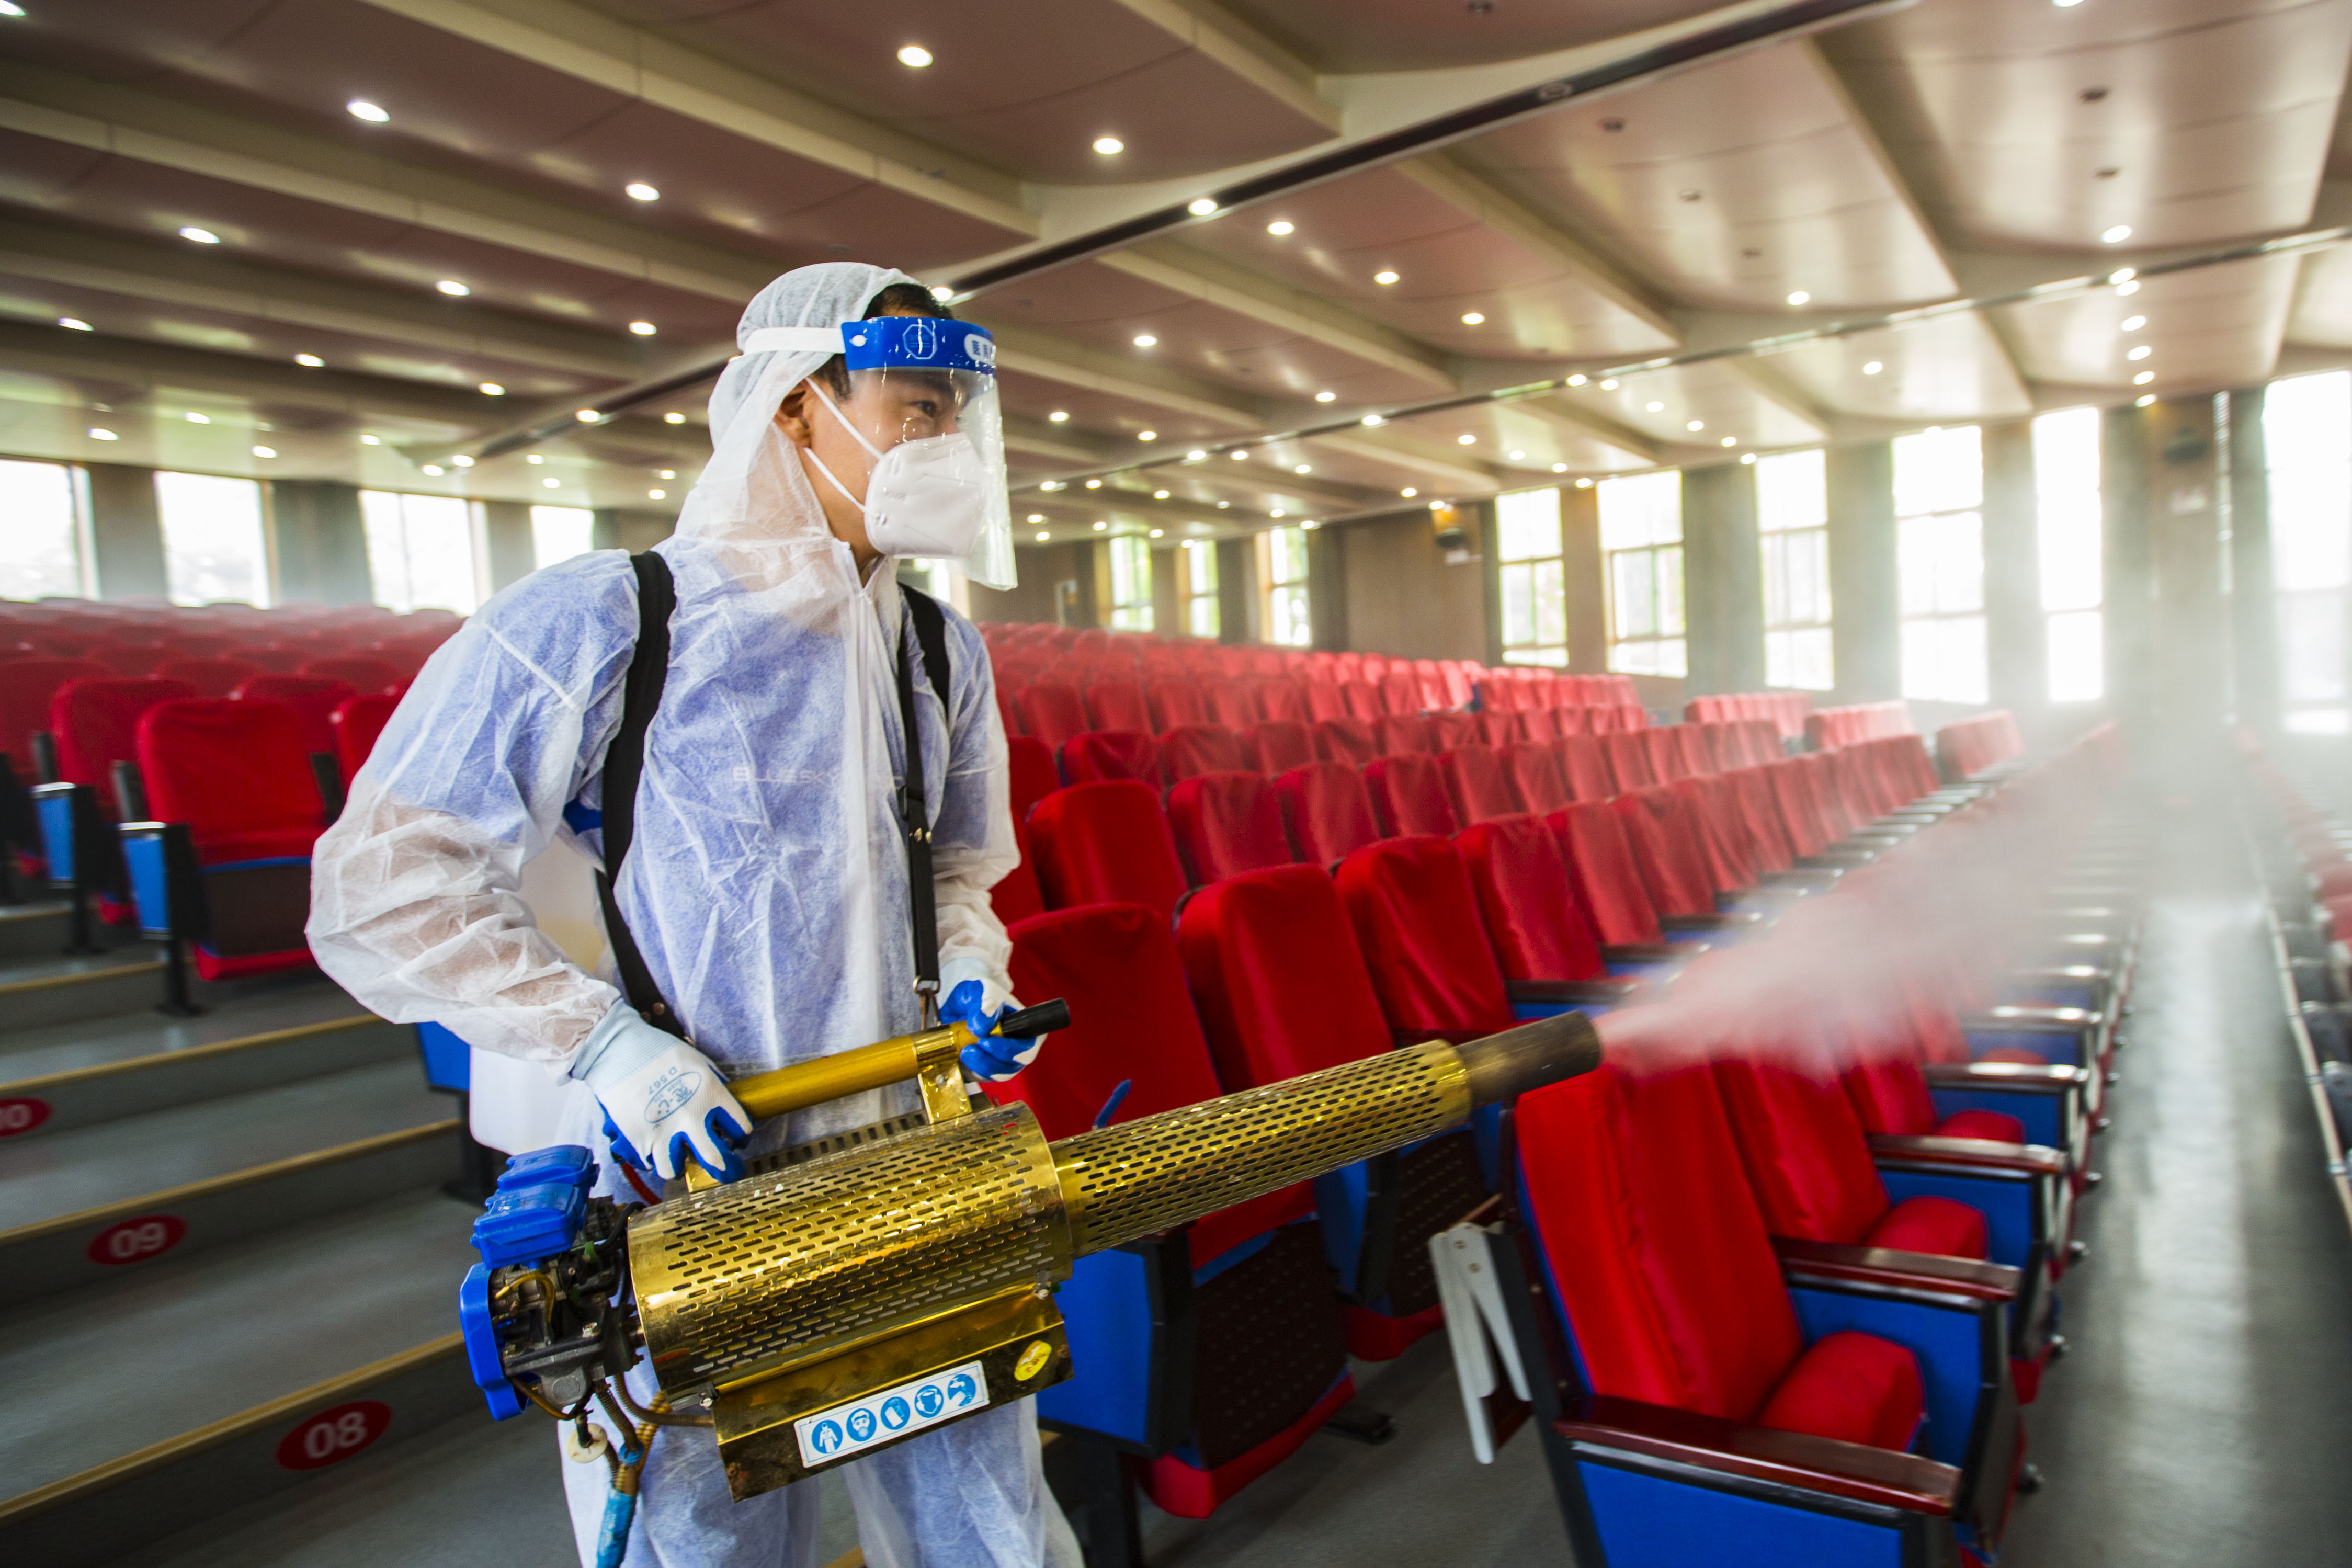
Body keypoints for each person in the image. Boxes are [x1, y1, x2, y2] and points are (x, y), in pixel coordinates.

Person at [308, 263, 1078, 1568]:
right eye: (914, 404)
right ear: (793, 403)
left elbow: (953, 869)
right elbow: (389, 876)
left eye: (958, 410)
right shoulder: (606, 620)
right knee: (707, 1542)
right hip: (680, 1174)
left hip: (902, 1151)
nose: (942, 440)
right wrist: (610, 1046)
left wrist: (968, 967)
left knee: (984, 1526)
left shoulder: (939, 647)